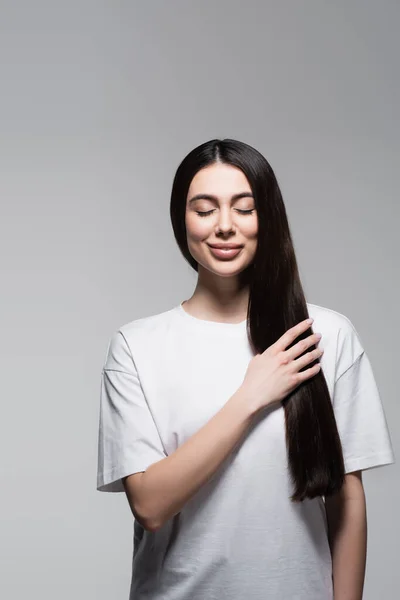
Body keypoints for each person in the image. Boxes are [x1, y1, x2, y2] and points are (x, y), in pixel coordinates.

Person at [96, 139, 395, 599]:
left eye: (244, 208)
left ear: (267, 218)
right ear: (182, 219)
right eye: (204, 209)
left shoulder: (325, 337)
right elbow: (150, 505)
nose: (224, 227)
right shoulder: (136, 347)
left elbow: (346, 500)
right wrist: (250, 397)